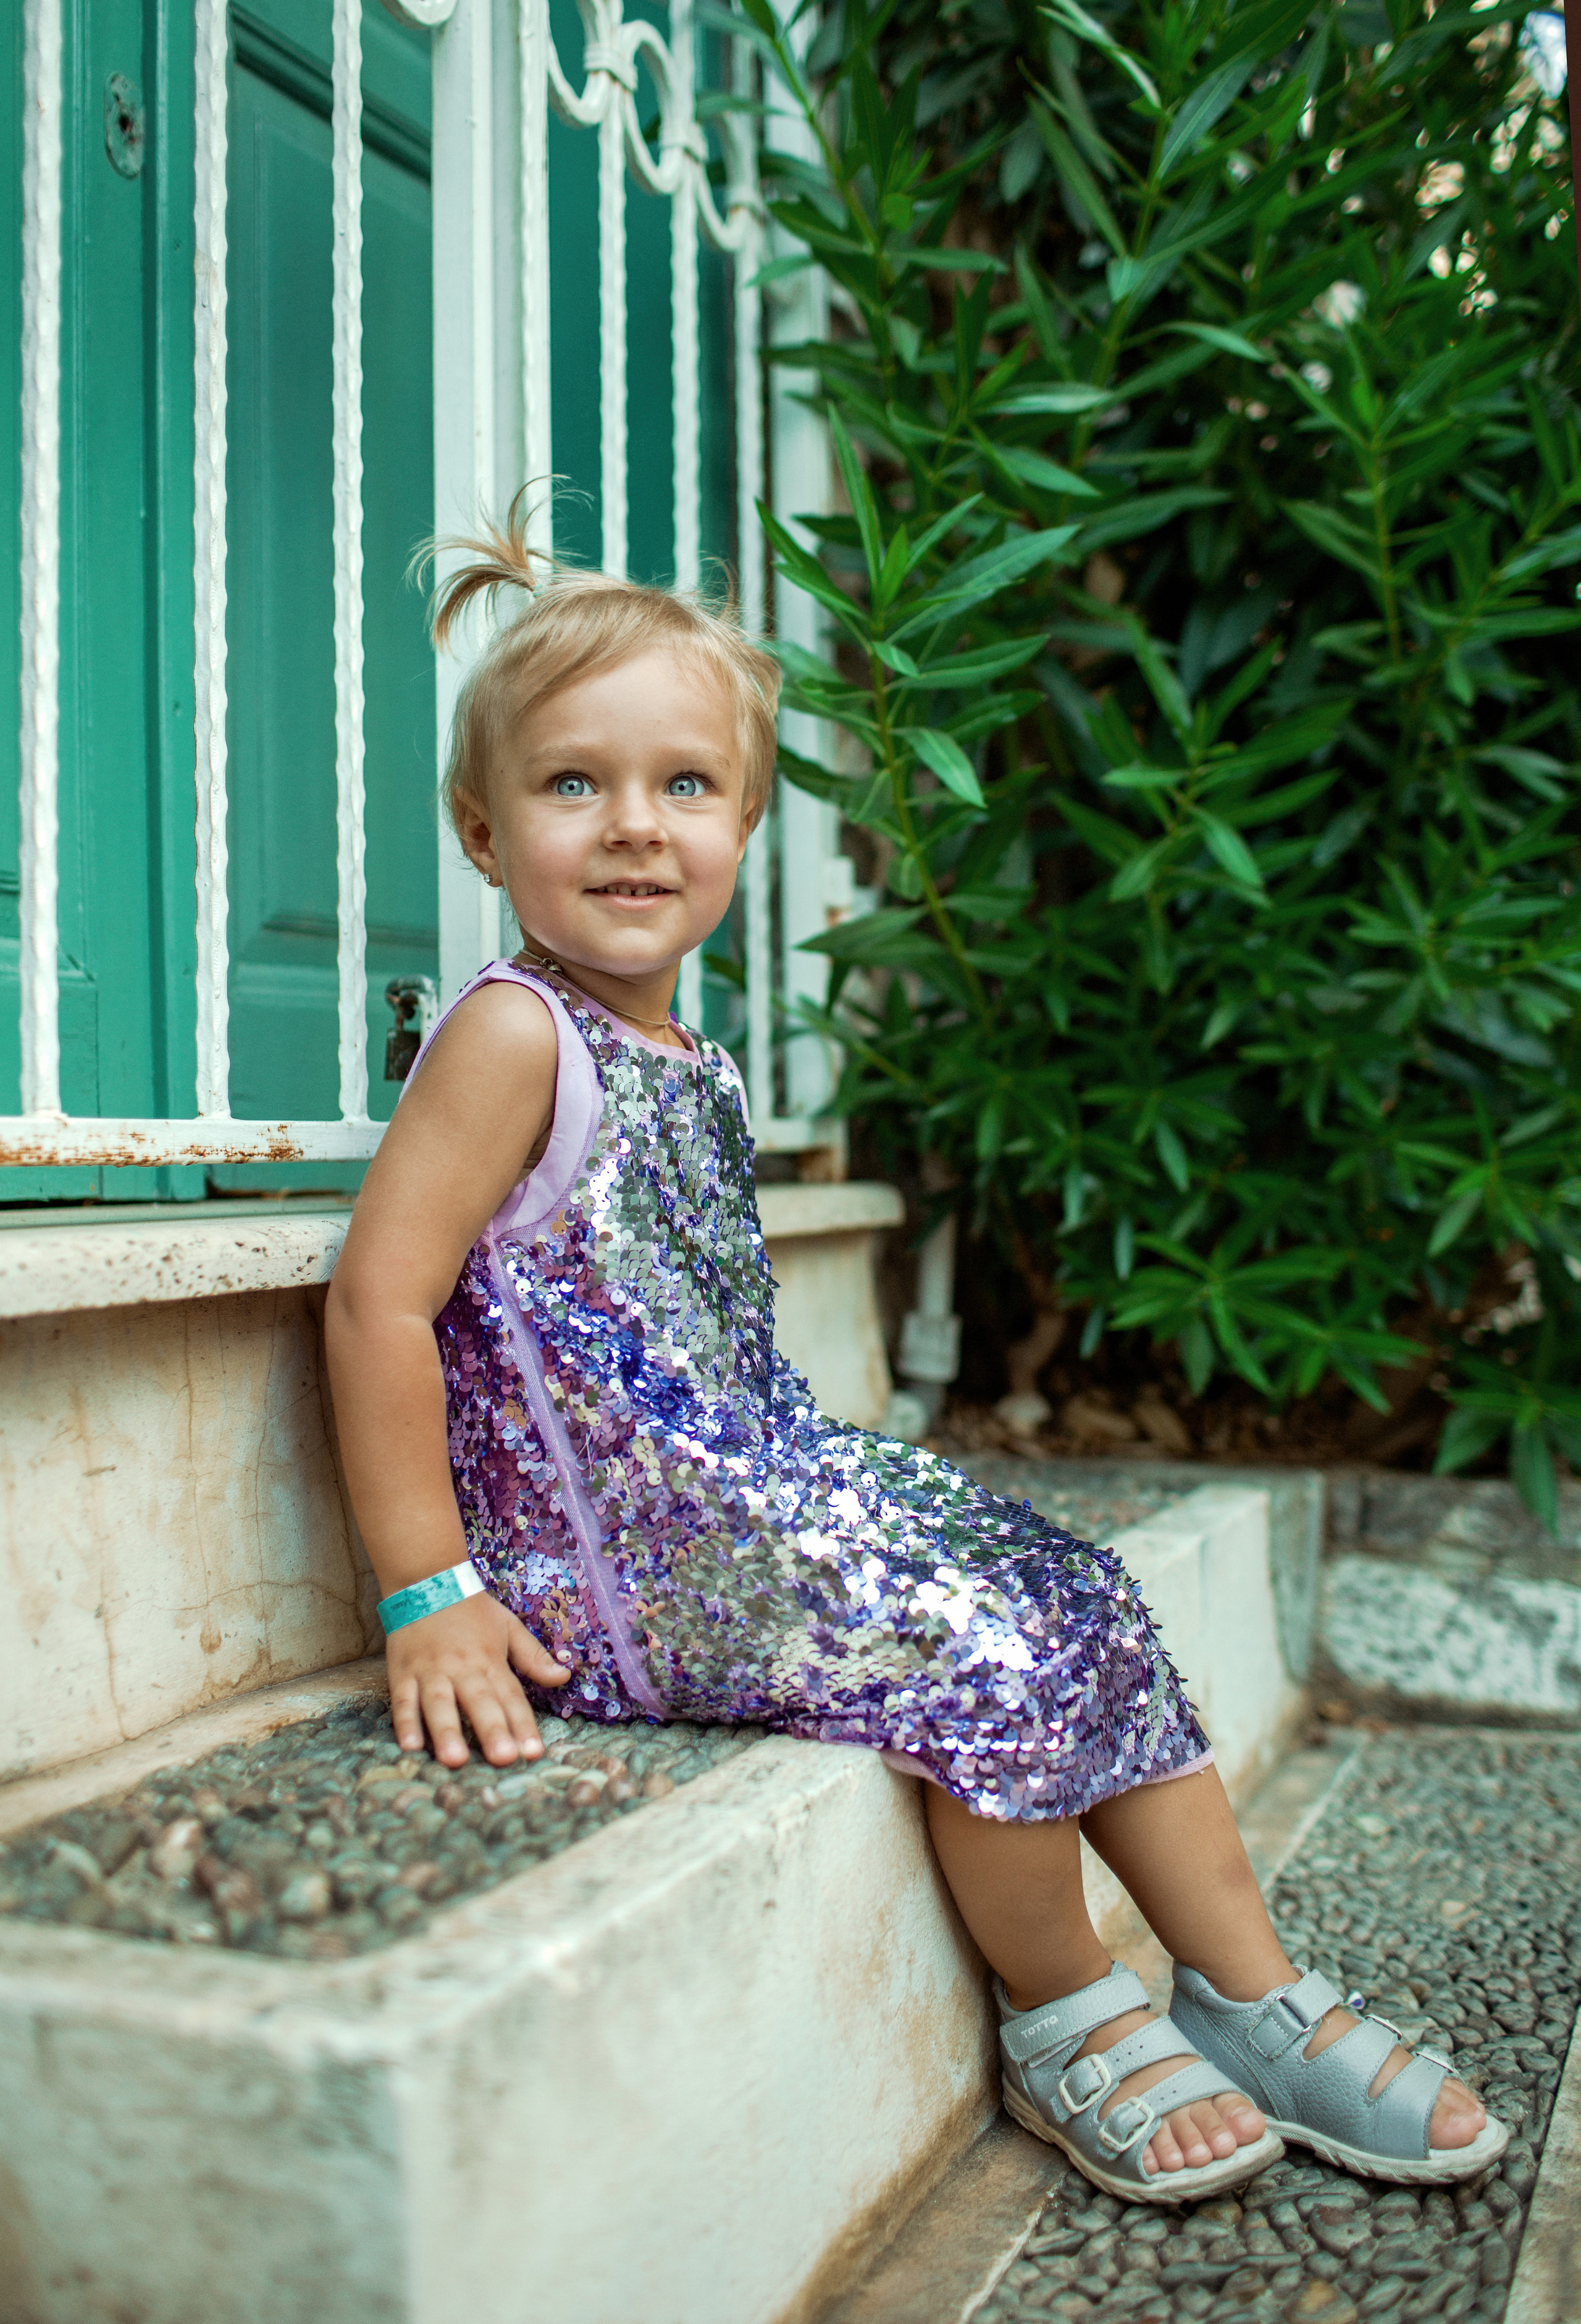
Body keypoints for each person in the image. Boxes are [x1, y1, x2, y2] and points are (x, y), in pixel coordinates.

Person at [325, 511, 1505, 2200]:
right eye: (573, 785)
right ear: (483, 830)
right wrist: (427, 1591)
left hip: (748, 1504)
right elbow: (378, 1299)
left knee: (1074, 1585)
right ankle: (1067, 2003)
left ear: (742, 822)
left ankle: (1253, 1993)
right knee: (978, 1651)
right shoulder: (516, 1036)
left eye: (684, 786)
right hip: (613, 1581)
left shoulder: (694, 1060)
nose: (634, 828)